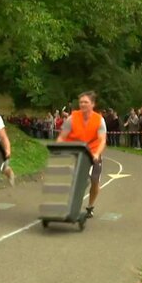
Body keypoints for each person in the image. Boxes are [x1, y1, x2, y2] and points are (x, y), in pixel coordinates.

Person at [57, 91, 107, 219]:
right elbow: (62, 137)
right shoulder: (72, 118)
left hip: (92, 152)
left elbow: (102, 140)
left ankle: (90, 206)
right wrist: (58, 149)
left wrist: (96, 153)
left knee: (94, 181)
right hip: (74, 150)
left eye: (86, 102)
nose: (83, 104)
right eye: (81, 102)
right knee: (71, 178)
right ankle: (65, 204)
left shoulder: (99, 120)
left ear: (93, 104)